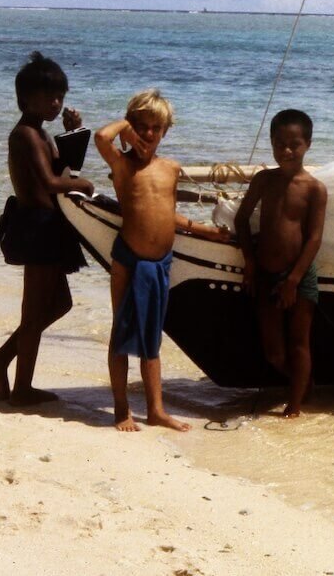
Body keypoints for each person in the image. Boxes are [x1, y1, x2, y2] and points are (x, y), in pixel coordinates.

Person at [95, 89, 227, 432]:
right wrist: (125, 126)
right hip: (128, 259)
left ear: (165, 131)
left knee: (152, 338)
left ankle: (156, 409)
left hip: (160, 263)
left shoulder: (170, 168)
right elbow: (100, 137)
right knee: (120, 335)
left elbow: (168, 215)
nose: (149, 134)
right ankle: (121, 408)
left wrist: (206, 231)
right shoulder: (122, 165)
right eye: (142, 126)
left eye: (156, 127)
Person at [0, 51, 95, 405]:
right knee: (33, 314)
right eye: (49, 97)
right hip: (36, 228)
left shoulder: (42, 134)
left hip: (49, 228)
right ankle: (20, 387)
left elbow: (63, 168)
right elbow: (50, 182)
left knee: (59, 303)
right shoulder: (25, 135)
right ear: (25, 99)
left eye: (60, 96)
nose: (57, 103)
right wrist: (82, 185)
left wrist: (73, 134)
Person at [234, 109, 327, 418]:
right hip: (265, 272)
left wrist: (293, 280)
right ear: (271, 143)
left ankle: (295, 404)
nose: (287, 150)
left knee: (300, 342)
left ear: (308, 144)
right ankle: (305, 382)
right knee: (274, 352)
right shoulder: (264, 180)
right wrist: (249, 260)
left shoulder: (314, 188)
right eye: (279, 143)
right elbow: (242, 219)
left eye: (295, 144)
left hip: (298, 275)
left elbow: (314, 238)